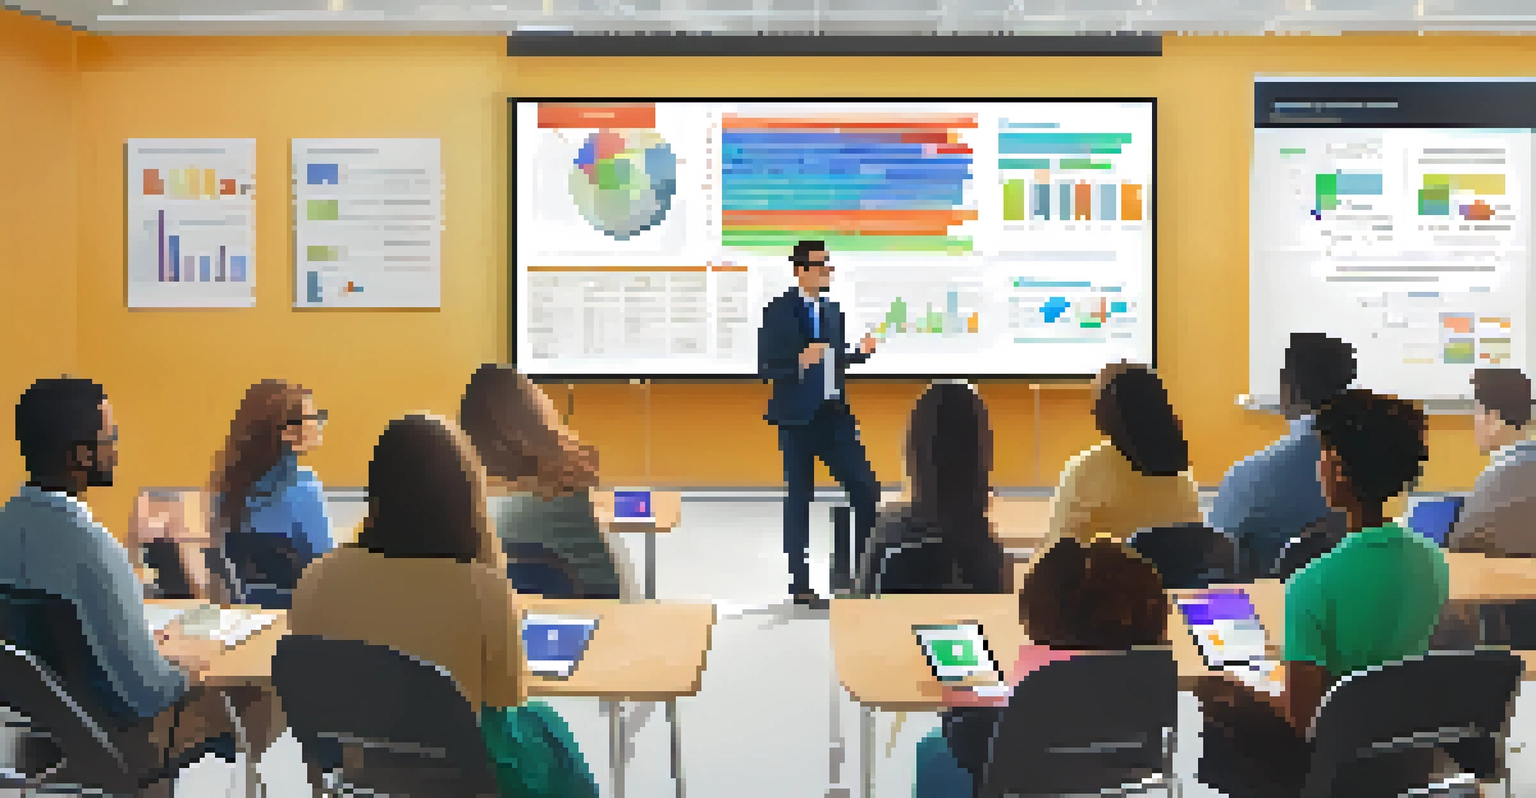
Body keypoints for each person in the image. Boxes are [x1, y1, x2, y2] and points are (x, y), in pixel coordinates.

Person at [289, 414, 597, 798]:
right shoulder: (483, 588)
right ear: (466, 493)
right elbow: (506, 698)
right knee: (549, 732)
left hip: (367, 776)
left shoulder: (315, 580)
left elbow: (312, 693)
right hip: (464, 779)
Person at [0, 377, 280, 795]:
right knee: (261, 695)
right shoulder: (93, 548)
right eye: (110, 437)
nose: (117, 448)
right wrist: (188, 663)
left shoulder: (8, 524)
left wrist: (144, 646)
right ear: (81, 456)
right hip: (118, 739)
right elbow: (148, 694)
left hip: (36, 731)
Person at [1194, 389, 1449, 796]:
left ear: (1339, 470)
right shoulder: (1432, 563)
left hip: (1333, 770)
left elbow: (1303, 720)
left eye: (1324, 453)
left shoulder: (1313, 584)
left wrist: (1245, 685)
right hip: (1403, 757)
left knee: (1223, 706)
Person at [917, 538, 1170, 794]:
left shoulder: (1036, 695)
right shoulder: (1158, 678)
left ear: (1036, 613)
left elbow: (975, 752)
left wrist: (958, 712)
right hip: (1122, 788)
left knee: (932, 753)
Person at [758, 239, 881, 609]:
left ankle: (863, 576)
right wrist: (799, 361)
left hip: (834, 415)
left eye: (829, 264)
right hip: (796, 419)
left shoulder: (833, 311)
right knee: (800, 499)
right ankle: (800, 584)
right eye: (819, 264)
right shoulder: (778, 311)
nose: (827, 270)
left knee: (865, 492)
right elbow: (767, 368)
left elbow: (832, 361)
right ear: (800, 270)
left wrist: (858, 354)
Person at [458, 363, 620, 599]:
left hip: (506, 624)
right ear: (533, 417)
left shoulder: (467, 502)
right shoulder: (572, 485)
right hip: (593, 620)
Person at [1211, 332, 1356, 578]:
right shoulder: (1371, 465)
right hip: (1355, 599)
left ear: (1289, 389)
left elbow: (1214, 555)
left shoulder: (1249, 476)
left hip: (1274, 608)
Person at [854, 381, 1006, 595]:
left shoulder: (889, 535)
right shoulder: (986, 551)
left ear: (914, 451)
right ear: (980, 456)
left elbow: (862, 614)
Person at [1043, 362, 1199, 547]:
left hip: (1108, 574)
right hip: (1172, 575)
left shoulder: (1085, 471)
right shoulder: (1181, 476)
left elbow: (1058, 551)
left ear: (1105, 412)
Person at [208, 379, 333, 607]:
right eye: (313, 418)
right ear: (287, 432)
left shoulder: (228, 488)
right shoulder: (304, 487)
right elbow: (325, 572)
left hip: (246, 615)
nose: (319, 423)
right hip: (297, 616)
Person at [1440, 368, 1536, 648]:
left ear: (1492, 417)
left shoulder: (1496, 481)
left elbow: (1461, 551)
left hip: (1508, 622)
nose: (1474, 423)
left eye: (1476, 412)